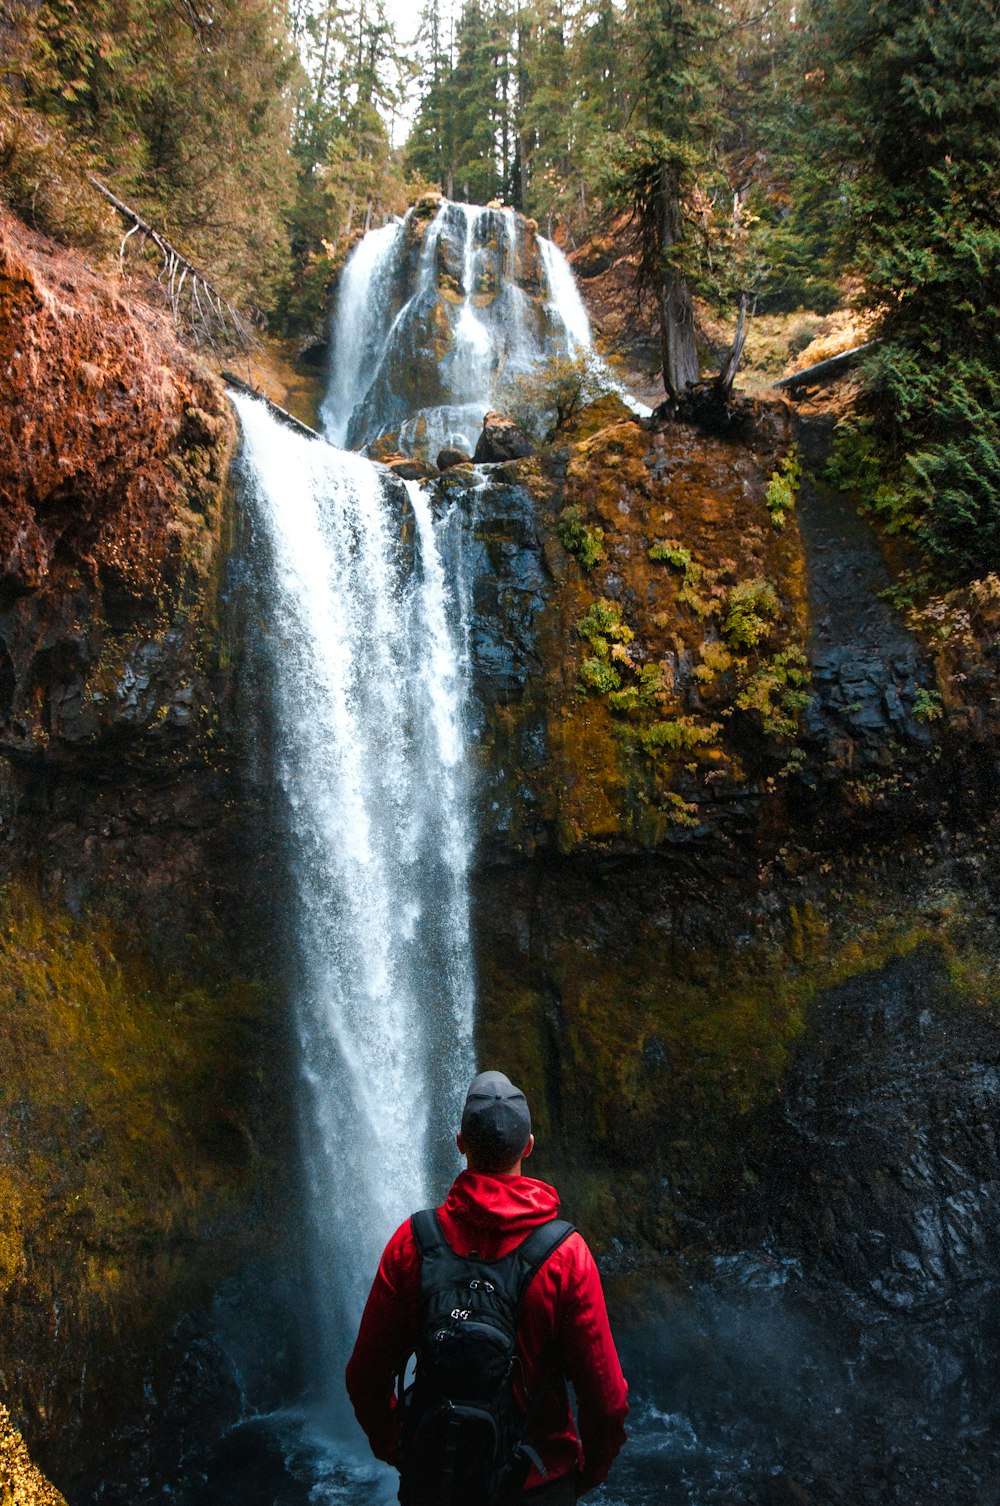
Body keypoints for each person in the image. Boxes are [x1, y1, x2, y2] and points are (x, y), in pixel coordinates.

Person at [346, 1070, 629, 1502]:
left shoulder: (413, 1242)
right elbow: (606, 1401)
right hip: (537, 1481)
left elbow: (365, 1375)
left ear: (460, 1142)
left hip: (436, 1478)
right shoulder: (566, 1256)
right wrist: (587, 1471)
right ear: (529, 1146)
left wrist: (396, 1443)